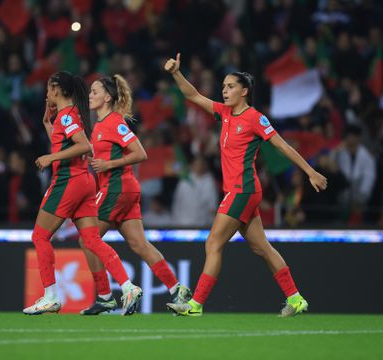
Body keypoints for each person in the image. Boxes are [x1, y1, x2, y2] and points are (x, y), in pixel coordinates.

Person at [164, 54, 328, 317]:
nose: (225, 91)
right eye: (224, 87)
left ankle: (195, 304)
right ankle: (295, 298)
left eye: (230, 87)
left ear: (244, 91)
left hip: (242, 190)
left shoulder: (254, 118)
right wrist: (176, 74)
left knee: (213, 244)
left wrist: (310, 171)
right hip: (241, 192)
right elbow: (193, 95)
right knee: (261, 247)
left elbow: (282, 145)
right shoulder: (225, 113)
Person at [22, 71, 142, 316]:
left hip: (68, 181)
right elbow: (67, 145)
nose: (46, 93)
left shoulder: (67, 117)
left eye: (48, 87)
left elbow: (84, 146)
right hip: (85, 182)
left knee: (40, 236)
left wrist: (50, 158)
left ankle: (50, 296)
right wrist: (48, 124)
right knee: (91, 240)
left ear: (57, 89)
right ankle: (127, 287)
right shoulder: (68, 116)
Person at [77, 75, 192, 315]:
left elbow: (140, 153)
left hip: (116, 188)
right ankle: (176, 289)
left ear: (107, 97)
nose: (90, 95)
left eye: (95, 91)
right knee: (140, 244)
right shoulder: (99, 126)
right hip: (125, 190)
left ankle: (112, 294)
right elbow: (107, 156)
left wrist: (108, 165)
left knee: (87, 238)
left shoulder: (114, 123)